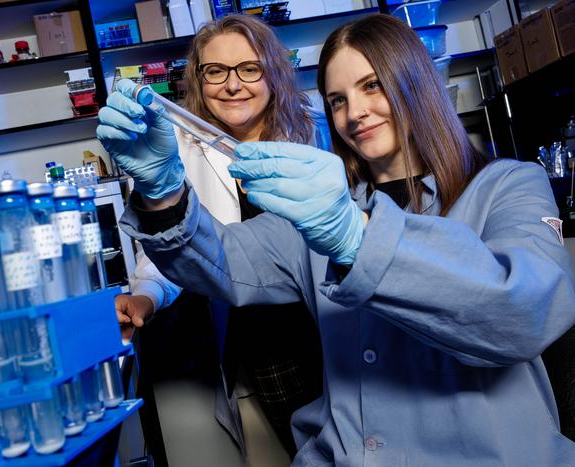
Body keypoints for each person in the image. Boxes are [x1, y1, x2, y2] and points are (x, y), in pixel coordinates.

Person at [100, 12, 575, 466]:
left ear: (417, 82)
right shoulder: (324, 210)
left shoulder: (509, 186)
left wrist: (359, 239)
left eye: (371, 85)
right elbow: (221, 261)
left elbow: (523, 312)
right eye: (337, 99)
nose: (356, 112)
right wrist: (163, 193)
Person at [109, 14, 327, 463]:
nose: (233, 85)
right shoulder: (175, 150)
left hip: (322, 331)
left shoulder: (314, 134)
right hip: (253, 346)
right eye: (216, 71)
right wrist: (145, 296)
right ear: (198, 78)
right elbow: (172, 253)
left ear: (273, 71)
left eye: (249, 68)